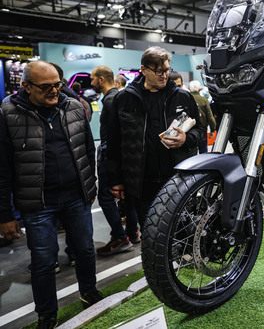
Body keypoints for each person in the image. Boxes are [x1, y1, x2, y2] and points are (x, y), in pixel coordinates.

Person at [0, 61, 102, 328]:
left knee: (85, 249)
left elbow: (87, 150)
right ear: (25, 86)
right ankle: (46, 313)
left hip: (76, 197)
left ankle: (89, 291)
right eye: (46, 87)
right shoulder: (8, 113)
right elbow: (2, 168)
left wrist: (90, 187)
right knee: (43, 261)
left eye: (58, 84)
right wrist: (5, 214)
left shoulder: (73, 107)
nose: (55, 90)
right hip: (37, 203)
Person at [108, 47, 202, 227]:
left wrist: (186, 139)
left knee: (182, 231)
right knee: (150, 231)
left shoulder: (182, 97)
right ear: (143, 70)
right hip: (142, 182)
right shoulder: (124, 99)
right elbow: (113, 142)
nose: (164, 75)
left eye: (167, 70)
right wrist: (116, 180)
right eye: (159, 71)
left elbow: (199, 129)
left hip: (178, 178)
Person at [90, 66, 139, 255]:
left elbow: (116, 136)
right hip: (118, 155)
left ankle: (120, 238)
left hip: (111, 154)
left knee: (105, 197)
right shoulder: (115, 98)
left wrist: (113, 166)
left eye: (93, 79)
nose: (91, 83)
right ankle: (132, 232)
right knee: (129, 197)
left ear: (101, 79)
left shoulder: (111, 100)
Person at [189, 80, 216, 154]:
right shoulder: (203, 100)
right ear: (199, 89)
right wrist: (212, 130)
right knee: (203, 151)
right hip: (202, 130)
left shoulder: (186, 99)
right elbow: (210, 117)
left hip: (189, 131)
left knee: (191, 152)